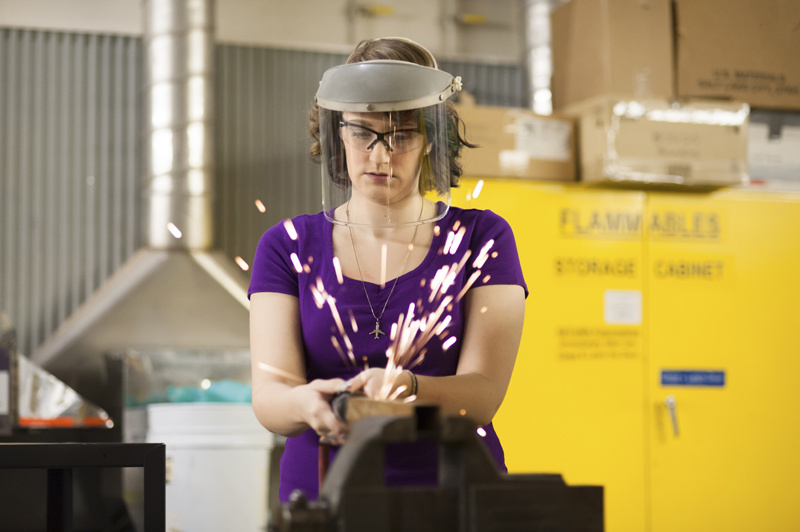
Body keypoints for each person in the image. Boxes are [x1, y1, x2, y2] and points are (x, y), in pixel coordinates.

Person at [249, 37, 527, 503]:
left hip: (452, 497)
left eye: (401, 136)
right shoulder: (286, 246)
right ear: (338, 133)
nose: (380, 156)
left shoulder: (482, 238)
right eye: (362, 133)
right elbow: (271, 394)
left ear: (431, 139)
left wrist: (408, 387)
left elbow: (481, 396)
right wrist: (307, 401)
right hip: (322, 497)